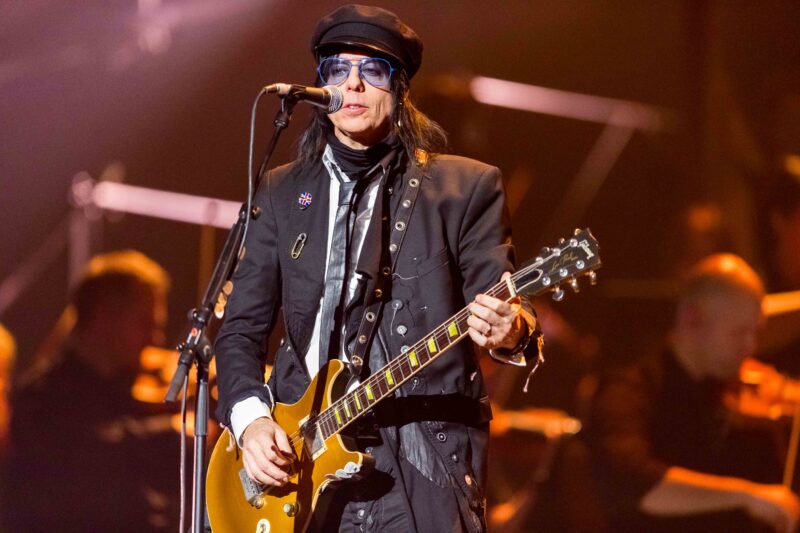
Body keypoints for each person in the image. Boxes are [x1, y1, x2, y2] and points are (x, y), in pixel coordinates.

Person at [214, 5, 538, 532]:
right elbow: (239, 331)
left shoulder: (463, 190)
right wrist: (251, 423)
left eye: (373, 69)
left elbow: (502, 306)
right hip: (301, 466)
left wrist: (511, 330)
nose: (354, 84)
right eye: (337, 69)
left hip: (416, 464)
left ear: (401, 87)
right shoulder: (280, 191)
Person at [582, 254, 800, 532]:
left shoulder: (725, 391)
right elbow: (630, 480)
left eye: (755, 332)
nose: (751, 346)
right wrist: (745, 496)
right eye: (740, 332)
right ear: (692, 319)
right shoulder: (629, 387)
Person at [4, 250, 177, 531]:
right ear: (104, 317)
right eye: (145, 323)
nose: (155, 339)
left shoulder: (122, 393)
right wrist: (173, 431)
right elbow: (85, 451)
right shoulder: (42, 398)